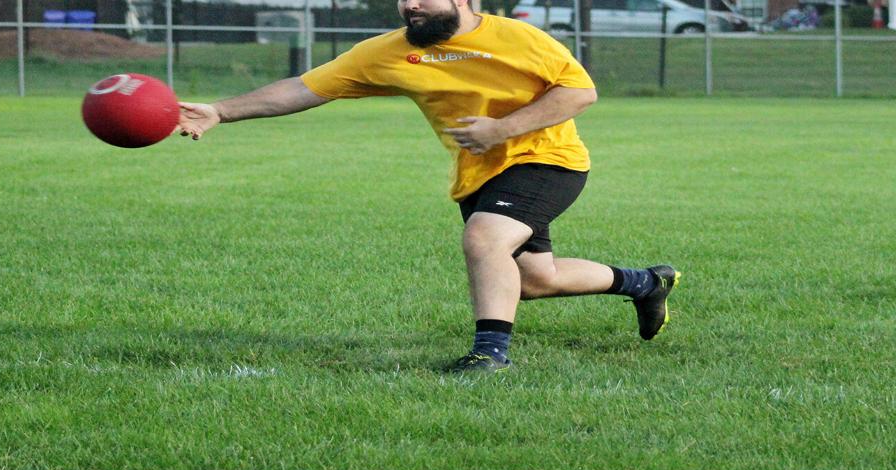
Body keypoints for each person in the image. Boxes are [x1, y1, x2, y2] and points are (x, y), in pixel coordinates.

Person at [175, 0, 679, 373]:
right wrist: (221, 110)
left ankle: (490, 356)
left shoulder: (522, 39)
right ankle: (646, 282)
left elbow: (580, 91)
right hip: (479, 173)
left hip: (548, 160)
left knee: (485, 238)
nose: (410, 5)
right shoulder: (386, 53)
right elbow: (303, 88)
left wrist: (501, 129)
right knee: (532, 280)